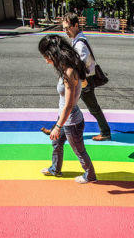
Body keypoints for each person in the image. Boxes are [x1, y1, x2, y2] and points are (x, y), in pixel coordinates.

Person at [42, 12, 111, 141]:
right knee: (67, 104)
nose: (65, 31)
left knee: (89, 108)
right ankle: (55, 129)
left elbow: (81, 64)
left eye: (67, 28)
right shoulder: (77, 39)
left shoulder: (79, 44)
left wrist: (75, 77)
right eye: (63, 28)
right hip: (80, 80)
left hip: (84, 81)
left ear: (75, 25)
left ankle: (105, 132)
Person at [38, 35, 97, 184]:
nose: (45, 61)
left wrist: (58, 127)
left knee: (79, 151)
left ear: (53, 54)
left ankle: (90, 175)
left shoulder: (69, 72)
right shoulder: (69, 68)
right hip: (66, 119)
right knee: (57, 143)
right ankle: (55, 169)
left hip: (71, 122)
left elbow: (69, 105)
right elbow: (82, 84)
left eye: (46, 57)